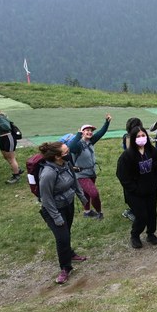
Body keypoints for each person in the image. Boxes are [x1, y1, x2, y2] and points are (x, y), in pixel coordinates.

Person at [36, 141, 88, 284]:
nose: (69, 154)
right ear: (57, 156)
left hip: (68, 205)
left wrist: (82, 197)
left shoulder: (66, 165)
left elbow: (74, 181)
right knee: (62, 237)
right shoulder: (48, 174)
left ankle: (69, 253)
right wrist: (56, 217)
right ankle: (65, 268)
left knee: (67, 232)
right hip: (54, 210)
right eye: (66, 152)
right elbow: (46, 199)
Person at [116, 127, 157, 249]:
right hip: (135, 193)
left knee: (152, 213)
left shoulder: (152, 151)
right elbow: (122, 175)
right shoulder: (127, 156)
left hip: (151, 189)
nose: (141, 138)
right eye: (138, 136)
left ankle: (151, 233)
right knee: (142, 215)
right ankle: (135, 235)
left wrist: (156, 181)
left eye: (143, 135)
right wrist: (134, 189)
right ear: (132, 139)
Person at [67, 115, 111, 219]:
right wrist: (78, 135)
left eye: (91, 130)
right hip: (81, 174)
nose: (90, 132)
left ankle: (87, 212)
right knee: (94, 194)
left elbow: (101, 133)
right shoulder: (78, 145)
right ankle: (100, 213)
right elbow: (71, 148)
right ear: (82, 132)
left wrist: (107, 122)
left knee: (86, 192)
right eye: (87, 130)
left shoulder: (91, 141)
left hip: (91, 172)